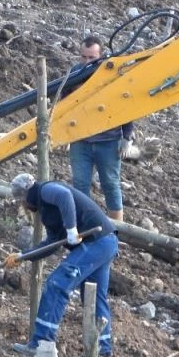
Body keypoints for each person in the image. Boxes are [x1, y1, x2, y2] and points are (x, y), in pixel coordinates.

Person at [6, 173, 118, 357]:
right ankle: (101, 353)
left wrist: (72, 229)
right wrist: (23, 256)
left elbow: (64, 196)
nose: (24, 205)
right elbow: (52, 243)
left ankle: (43, 345)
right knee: (94, 295)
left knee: (57, 284)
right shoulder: (47, 213)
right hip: (106, 242)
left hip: (97, 241)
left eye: (22, 201)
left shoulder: (46, 190)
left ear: (26, 195)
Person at [68, 36, 134, 222]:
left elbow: (126, 105)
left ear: (102, 56)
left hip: (108, 142)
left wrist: (127, 136)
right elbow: (63, 104)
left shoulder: (113, 75)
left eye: (92, 58)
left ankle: (117, 230)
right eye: (84, 57)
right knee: (80, 185)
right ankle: (85, 227)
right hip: (81, 141)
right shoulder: (75, 73)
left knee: (111, 185)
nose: (87, 62)